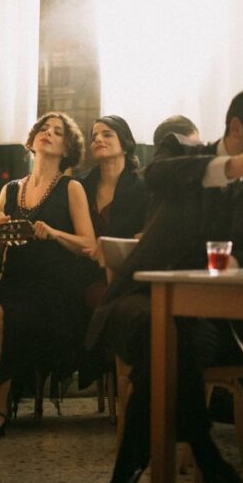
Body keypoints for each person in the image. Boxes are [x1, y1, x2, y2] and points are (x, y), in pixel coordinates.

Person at [78, 83, 243, 483]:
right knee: (159, 327)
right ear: (236, 128)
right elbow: (157, 177)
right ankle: (205, 450)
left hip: (218, 319)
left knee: (165, 348)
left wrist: (230, 260)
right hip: (141, 298)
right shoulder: (180, 151)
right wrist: (231, 167)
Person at [0, 112, 96, 442]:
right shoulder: (11, 189)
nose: (48, 133)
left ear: (67, 148)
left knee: (4, 315)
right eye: (44, 128)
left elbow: (89, 244)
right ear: (32, 139)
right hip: (17, 278)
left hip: (56, 283)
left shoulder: (71, 188)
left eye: (58, 131)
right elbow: (1, 251)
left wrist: (54, 233)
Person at [77, 115, 148, 389]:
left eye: (107, 134)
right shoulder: (80, 185)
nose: (98, 139)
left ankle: (129, 380)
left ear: (125, 143)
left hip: (129, 273)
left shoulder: (143, 185)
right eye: (94, 136)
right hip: (84, 271)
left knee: (118, 302)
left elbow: (148, 235)